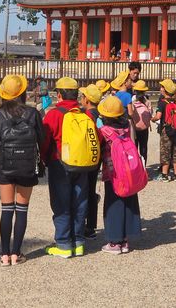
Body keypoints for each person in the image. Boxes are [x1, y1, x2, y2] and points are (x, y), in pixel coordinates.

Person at [0, 74, 44, 266]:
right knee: (22, 210)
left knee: (6, 209)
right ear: (22, 93)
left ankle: (4, 255)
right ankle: (16, 253)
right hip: (27, 165)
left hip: (5, 166)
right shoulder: (33, 114)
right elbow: (42, 140)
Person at [40, 77, 89, 259]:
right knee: (80, 201)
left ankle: (63, 243)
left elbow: (45, 140)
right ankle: (79, 242)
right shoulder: (83, 113)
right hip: (82, 163)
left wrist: (44, 159)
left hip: (60, 163)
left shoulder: (54, 114)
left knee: (61, 203)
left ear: (59, 94)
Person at [97, 96, 141, 254]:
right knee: (127, 201)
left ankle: (114, 242)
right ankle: (124, 240)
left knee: (113, 204)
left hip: (113, 173)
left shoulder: (105, 131)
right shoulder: (126, 126)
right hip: (127, 171)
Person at [78, 84, 103, 240]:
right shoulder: (101, 115)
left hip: (85, 157)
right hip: (97, 157)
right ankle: (91, 226)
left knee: (83, 190)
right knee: (91, 189)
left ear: (86, 99)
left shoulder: (86, 116)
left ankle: (81, 225)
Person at [151, 79, 176, 182]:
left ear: (165, 90)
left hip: (167, 131)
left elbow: (158, 116)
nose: (160, 88)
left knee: (165, 152)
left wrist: (152, 119)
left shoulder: (162, 103)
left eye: (162, 87)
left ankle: (165, 175)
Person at [131, 80, 151, 163]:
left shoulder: (132, 100)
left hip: (134, 127)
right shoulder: (147, 101)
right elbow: (150, 114)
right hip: (144, 128)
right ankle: (143, 167)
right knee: (143, 148)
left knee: (134, 148)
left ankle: (136, 166)